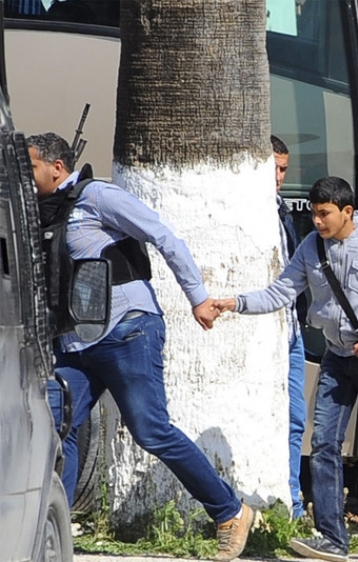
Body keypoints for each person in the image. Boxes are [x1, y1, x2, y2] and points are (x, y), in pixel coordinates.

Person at [28, 132, 253, 561]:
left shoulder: (96, 197)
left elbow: (165, 237)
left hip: (127, 330)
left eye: (32, 166)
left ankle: (229, 512)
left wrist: (198, 298)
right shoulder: (42, 213)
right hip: (76, 342)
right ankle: (49, 529)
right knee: (56, 425)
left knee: (150, 431)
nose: (26, 174)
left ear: (57, 167)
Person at [214, 176, 358, 562]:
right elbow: (281, 292)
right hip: (336, 359)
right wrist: (235, 303)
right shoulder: (311, 246)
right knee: (324, 445)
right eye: (314, 214)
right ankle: (332, 538)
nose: (318, 222)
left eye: (324, 214)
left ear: (346, 211)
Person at [272, 134, 307, 519]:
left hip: (291, 330)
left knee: (295, 419)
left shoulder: (281, 211)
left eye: (283, 170)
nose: (279, 177)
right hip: (266, 333)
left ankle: (293, 503)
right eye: (274, 169)